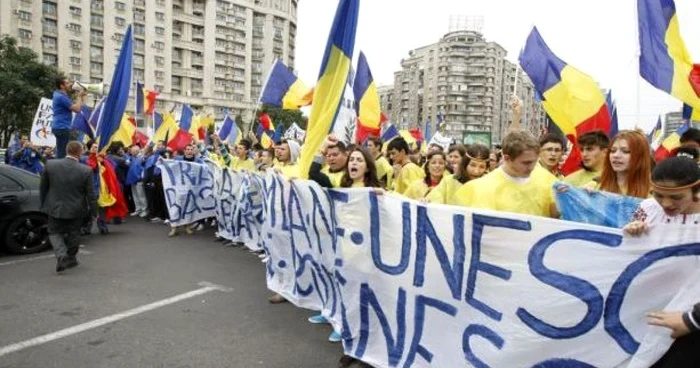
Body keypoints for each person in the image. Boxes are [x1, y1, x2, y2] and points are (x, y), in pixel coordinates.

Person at [622, 157, 699, 367]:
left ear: (696, 190)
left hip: (691, 324)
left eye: (676, 197)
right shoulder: (648, 209)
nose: (666, 204)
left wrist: (692, 320)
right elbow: (626, 260)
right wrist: (632, 236)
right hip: (650, 313)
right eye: (659, 195)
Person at [454, 130, 559, 218]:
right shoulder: (479, 189)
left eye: (535, 161)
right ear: (506, 158)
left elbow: (557, 218)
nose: (531, 167)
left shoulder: (548, 181)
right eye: (525, 163)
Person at [40, 141, 96, 272]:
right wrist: (94, 212)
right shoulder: (86, 170)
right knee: (74, 233)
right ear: (80, 152)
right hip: (76, 209)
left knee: (54, 232)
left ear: (66, 150)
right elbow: (90, 194)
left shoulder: (50, 164)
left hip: (54, 207)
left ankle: (62, 256)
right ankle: (69, 257)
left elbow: (43, 188)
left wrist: (43, 203)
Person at [595, 130, 652, 199]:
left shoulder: (654, 194)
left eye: (625, 151)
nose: (616, 155)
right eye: (613, 151)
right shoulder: (595, 187)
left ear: (640, 156)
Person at [52, 77, 86, 159]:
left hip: (60, 127)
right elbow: (77, 109)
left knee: (61, 152)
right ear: (62, 86)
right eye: (67, 83)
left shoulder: (59, 95)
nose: (70, 84)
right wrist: (79, 96)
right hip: (62, 127)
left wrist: (81, 97)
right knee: (65, 154)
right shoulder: (61, 97)